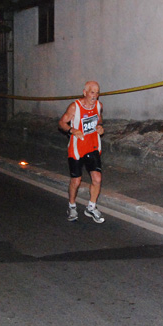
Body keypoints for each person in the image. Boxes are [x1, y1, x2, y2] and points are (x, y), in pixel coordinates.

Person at [58, 80, 106, 223]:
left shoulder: (99, 106)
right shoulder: (75, 107)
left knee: (97, 179)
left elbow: (99, 119)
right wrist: (72, 130)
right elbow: (61, 123)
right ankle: (72, 205)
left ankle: (91, 207)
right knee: (76, 181)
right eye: (92, 92)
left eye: (97, 93)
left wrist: (100, 127)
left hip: (93, 146)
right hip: (77, 148)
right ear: (85, 93)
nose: (95, 96)